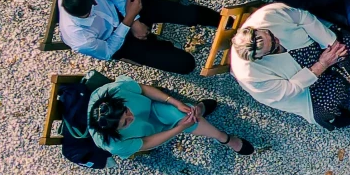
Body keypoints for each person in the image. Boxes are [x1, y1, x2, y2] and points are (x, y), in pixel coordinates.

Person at [230, 1, 350, 129]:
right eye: (273, 47)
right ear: (259, 57)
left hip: (316, 45)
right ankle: (333, 117)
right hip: (306, 86)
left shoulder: (266, 15)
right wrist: (322, 65)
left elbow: (302, 16)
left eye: (270, 34)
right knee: (325, 109)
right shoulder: (250, 76)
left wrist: (331, 43)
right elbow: (290, 89)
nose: (277, 40)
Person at [53, 0, 219, 75]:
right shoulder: (79, 39)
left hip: (122, 7)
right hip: (116, 41)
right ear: (91, 6)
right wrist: (128, 21)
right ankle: (160, 44)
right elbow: (108, 51)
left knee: (191, 15)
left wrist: (134, 20)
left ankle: (223, 21)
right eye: (93, 1)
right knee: (185, 64)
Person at [77, 74, 250, 160]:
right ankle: (211, 123)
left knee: (184, 113)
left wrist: (174, 102)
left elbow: (143, 89)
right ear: (115, 130)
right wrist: (179, 129)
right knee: (186, 119)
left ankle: (221, 136)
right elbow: (147, 143)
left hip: (152, 107)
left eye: (126, 111)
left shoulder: (112, 91)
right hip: (148, 133)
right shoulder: (112, 144)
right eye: (125, 122)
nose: (131, 117)